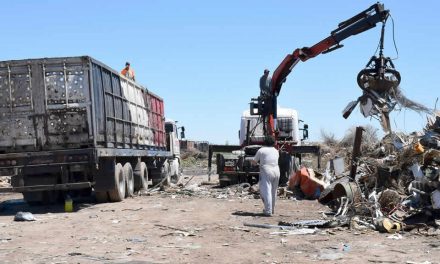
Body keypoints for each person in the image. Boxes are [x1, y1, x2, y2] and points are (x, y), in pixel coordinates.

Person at [253, 136, 280, 216]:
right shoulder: (276, 151)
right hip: (276, 170)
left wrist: (254, 162)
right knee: (273, 191)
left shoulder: (261, 150)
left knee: (266, 191)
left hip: (267, 170)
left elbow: (255, 162)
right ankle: (272, 209)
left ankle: (268, 211)